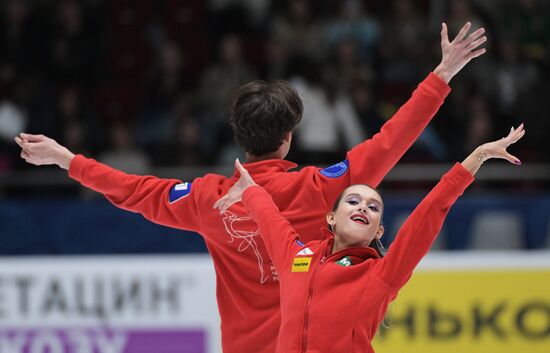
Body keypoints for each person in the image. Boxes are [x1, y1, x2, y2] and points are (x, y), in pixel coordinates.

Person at [16, 22, 486, 353]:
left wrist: (67, 159)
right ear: (287, 139)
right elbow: (391, 142)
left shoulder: (209, 198)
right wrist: (441, 75)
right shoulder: (320, 189)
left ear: (239, 139)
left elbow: (134, 190)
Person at [216, 125, 525, 352]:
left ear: (378, 230)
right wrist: (251, 190)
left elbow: (428, 215)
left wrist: (478, 156)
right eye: (352, 201)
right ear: (331, 218)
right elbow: (271, 222)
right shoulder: (298, 257)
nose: (363, 206)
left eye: (373, 206)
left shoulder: (380, 274)